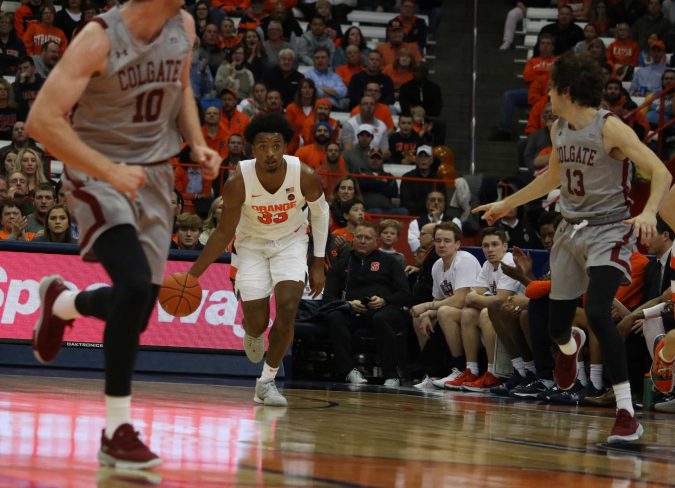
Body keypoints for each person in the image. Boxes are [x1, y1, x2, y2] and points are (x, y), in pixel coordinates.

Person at [27, 0, 221, 469]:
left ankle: (63, 302)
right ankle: (117, 430)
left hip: (153, 178)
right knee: (134, 286)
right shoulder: (99, 37)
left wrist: (195, 142)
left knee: (136, 310)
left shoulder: (184, 25)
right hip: (96, 170)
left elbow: (180, 88)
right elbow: (42, 121)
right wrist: (109, 170)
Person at [474, 51, 672, 443]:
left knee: (598, 311)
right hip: (568, 230)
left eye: (550, 90)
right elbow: (554, 176)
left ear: (565, 90)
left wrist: (649, 212)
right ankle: (570, 345)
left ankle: (626, 413)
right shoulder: (558, 129)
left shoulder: (609, 128)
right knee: (557, 327)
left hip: (608, 229)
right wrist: (507, 203)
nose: (545, 96)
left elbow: (661, 171)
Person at [188, 112, 329, 407]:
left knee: (288, 306)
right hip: (250, 245)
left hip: (290, 242)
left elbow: (320, 214)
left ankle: (266, 382)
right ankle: (252, 331)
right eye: (263, 146)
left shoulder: (304, 175)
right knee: (258, 322)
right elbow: (223, 232)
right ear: (253, 150)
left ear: (285, 147)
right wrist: (193, 276)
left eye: (276, 145)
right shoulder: (238, 181)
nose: (270, 153)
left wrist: (318, 262)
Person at [322, 221, 411, 386]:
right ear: (353, 239)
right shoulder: (341, 264)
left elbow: (404, 294)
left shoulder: (390, 261)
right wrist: (349, 304)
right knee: (335, 317)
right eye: (359, 237)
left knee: (381, 318)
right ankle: (349, 371)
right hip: (354, 309)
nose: (362, 241)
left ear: (376, 241)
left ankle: (391, 375)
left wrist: (385, 300)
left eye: (367, 238)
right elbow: (328, 297)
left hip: (385, 309)